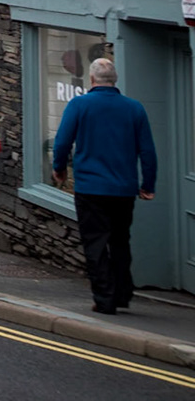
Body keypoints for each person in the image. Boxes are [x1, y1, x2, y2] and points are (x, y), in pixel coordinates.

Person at [52, 57, 158, 315]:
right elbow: (148, 151)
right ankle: (122, 293)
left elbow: (62, 141)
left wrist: (59, 169)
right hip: (124, 188)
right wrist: (148, 184)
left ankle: (105, 298)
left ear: (91, 80)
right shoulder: (134, 108)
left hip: (90, 188)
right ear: (115, 80)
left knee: (96, 243)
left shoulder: (79, 104)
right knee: (121, 240)